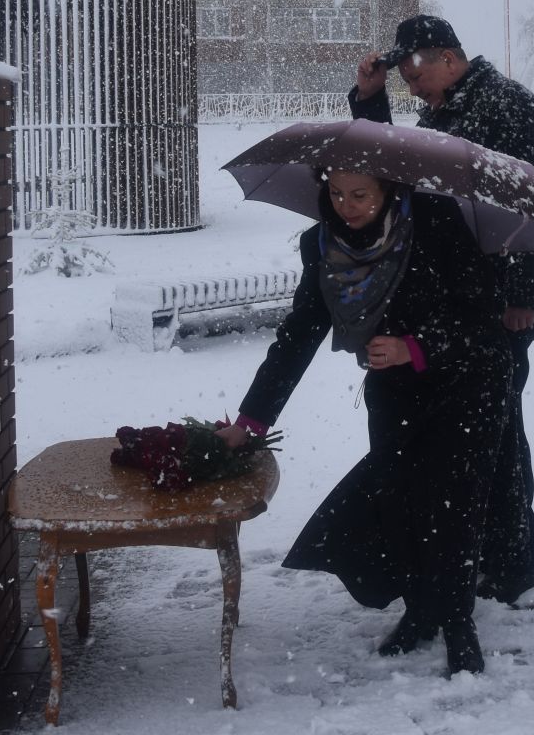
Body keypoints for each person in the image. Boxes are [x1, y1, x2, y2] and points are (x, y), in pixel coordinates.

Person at [217, 170, 512, 675]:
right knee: (402, 504)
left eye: (360, 195)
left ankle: (459, 623)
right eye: (335, 194)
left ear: (388, 191)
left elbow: (483, 315)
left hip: (466, 387)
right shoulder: (323, 245)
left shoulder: (435, 223)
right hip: (393, 395)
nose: (346, 206)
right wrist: (251, 421)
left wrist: (414, 346)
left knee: (457, 505)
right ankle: (419, 612)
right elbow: (299, 334)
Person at [350, 14, 534, 607]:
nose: (408, 85)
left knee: (500, 436)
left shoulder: (507, 106)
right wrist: (368, 103)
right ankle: (472, 554)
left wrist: (521, 294)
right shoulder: (447, 110)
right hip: (455, 304)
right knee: (467, 436)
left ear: (445, 56)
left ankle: (513, 568)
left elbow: (533, 203)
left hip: (496, 303)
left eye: (412, 71)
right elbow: (394, 166)